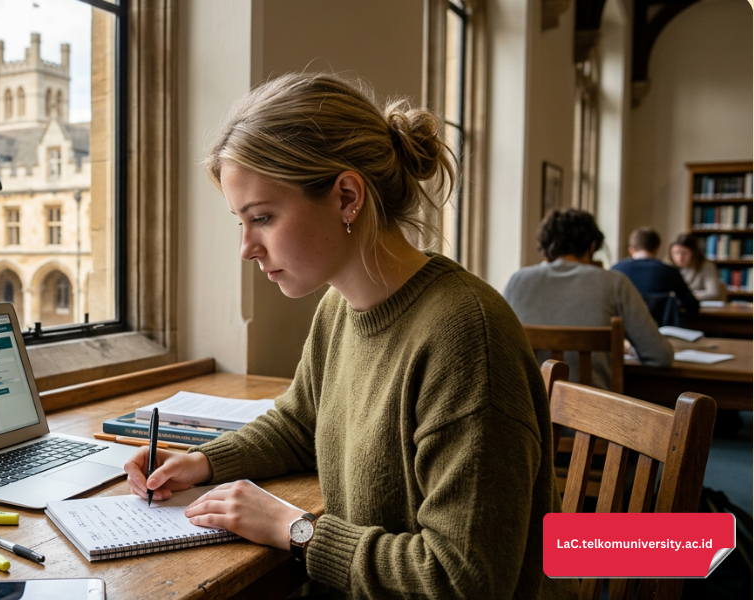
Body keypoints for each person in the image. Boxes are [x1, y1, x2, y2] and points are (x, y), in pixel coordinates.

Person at [123, 73, 576, 599]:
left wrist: (296, 529)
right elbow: (299, 425)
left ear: (346, 196)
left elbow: (462, 580)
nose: (247, 248)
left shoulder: (466, 338)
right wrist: (203, 462)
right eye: (240, 222)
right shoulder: (339, 307)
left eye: (262, 217)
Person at [503, 209, 672, 390]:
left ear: (544, 248)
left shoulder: (517, 281)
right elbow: (660, 356)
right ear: (592, 247)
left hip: (526, 404)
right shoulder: (615, 283)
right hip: (592, 406)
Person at [611, 227, 700, 323]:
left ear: (631, 250)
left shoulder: (615, 270)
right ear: (657, 249)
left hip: (623, 329)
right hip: (659, 329)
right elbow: (692, 306)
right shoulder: (669, 271)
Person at [669, 233, 728, 302]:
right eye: (676, 253)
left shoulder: (706, 266)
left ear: (693, 253)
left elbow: (713, 293)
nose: (680, 257)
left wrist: (687, 296)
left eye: (684, 253)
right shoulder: (669, 266)